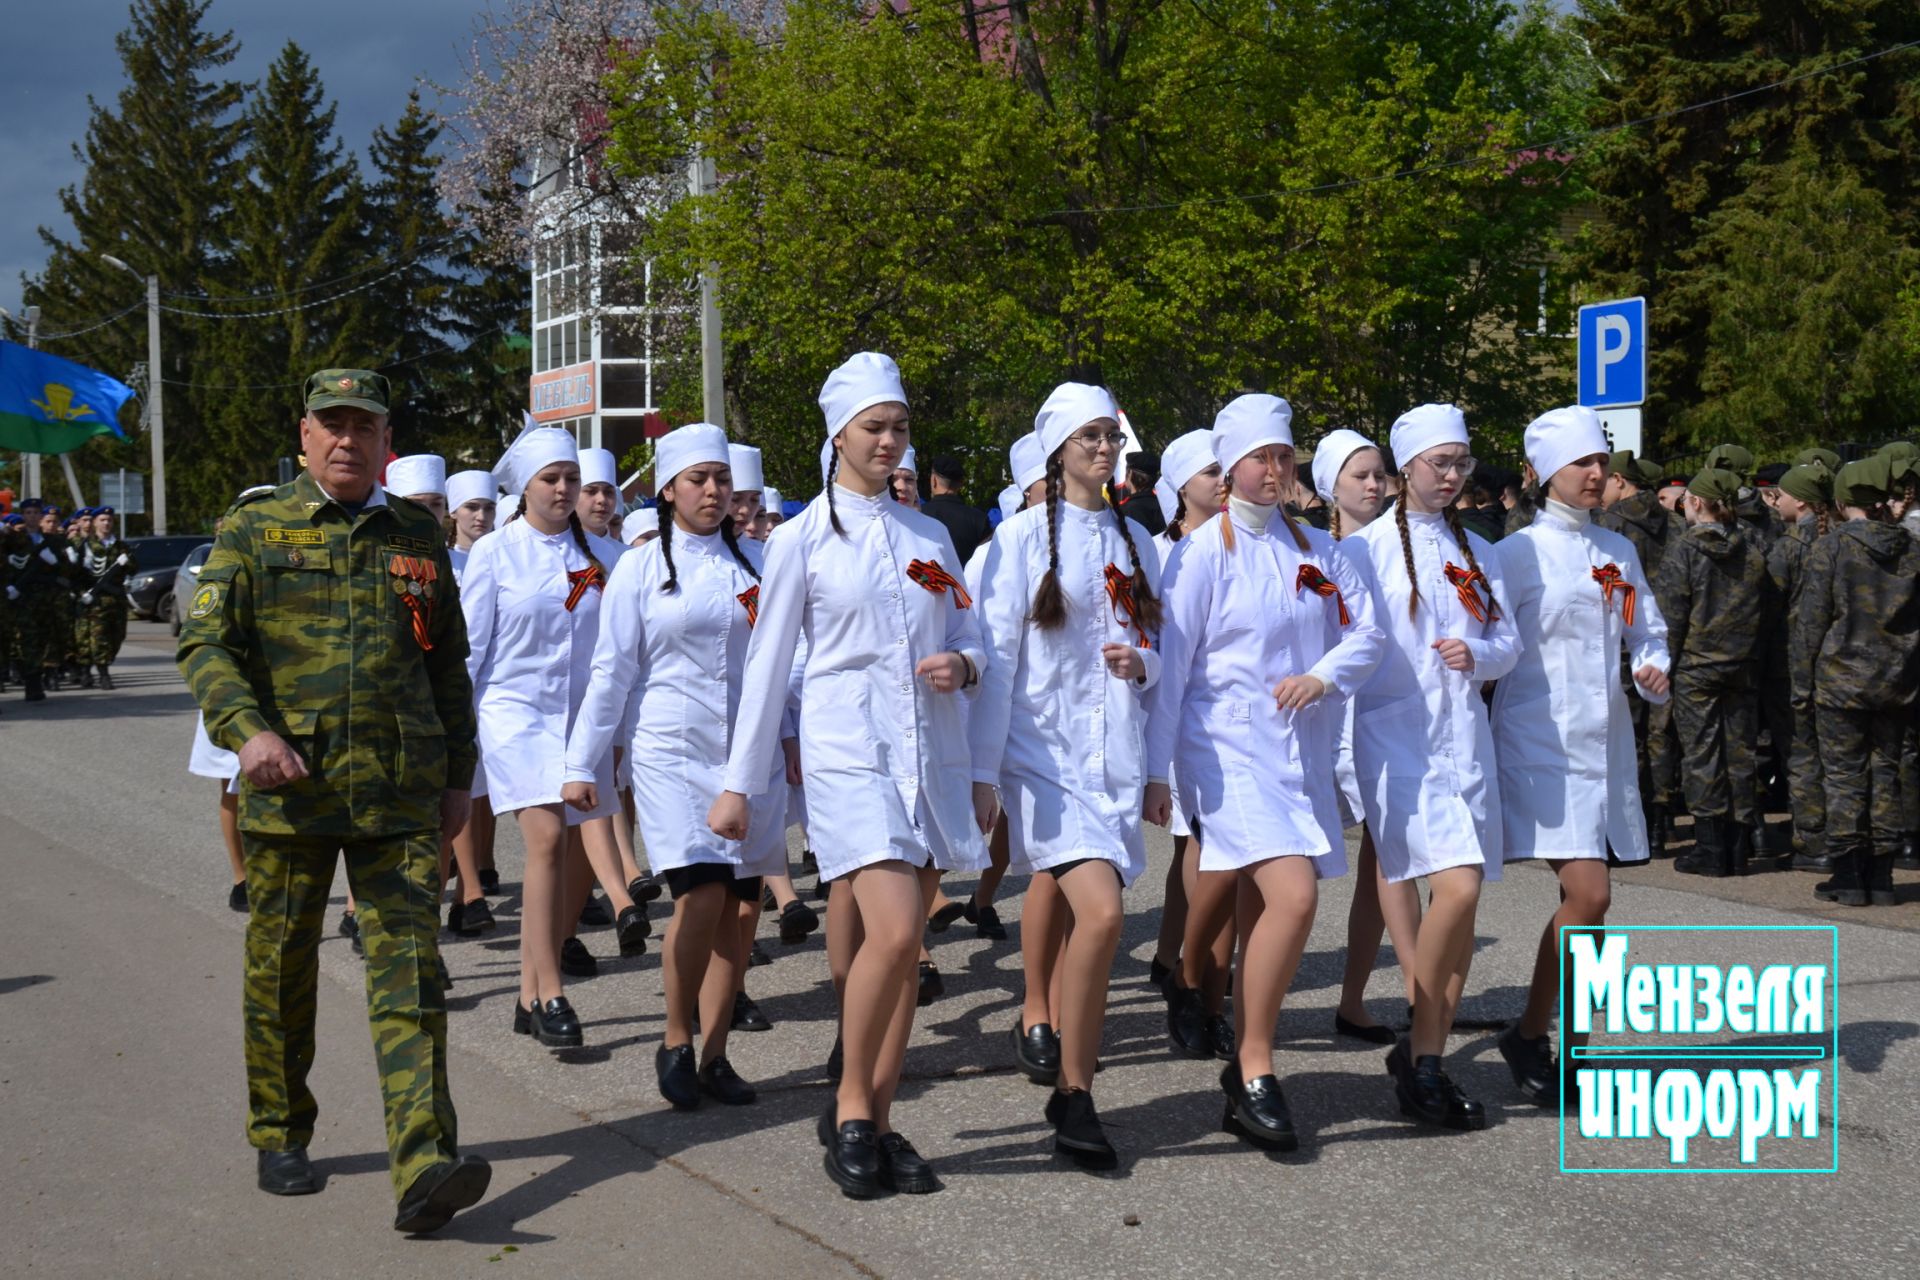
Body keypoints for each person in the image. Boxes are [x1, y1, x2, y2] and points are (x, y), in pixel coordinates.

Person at [176, 368, 490, 1232]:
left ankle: (425, 1163)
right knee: (282, 970)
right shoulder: (253, 528)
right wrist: (248, 733)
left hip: (398, 791)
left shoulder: (416, 541)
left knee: (411, 975)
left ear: (385, 439)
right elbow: (204, 644)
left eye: (364, 425)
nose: (347, 439)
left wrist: (459, 774)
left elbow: (446, 668)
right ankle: (281, 1130)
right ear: (306, 435)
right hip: (292, 793)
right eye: (332, 424)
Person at [710, 351, 988, 1199]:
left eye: (900, 428)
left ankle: (875, 1112)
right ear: (838, 435)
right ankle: (854, 1108)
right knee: (899, 934)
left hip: (927, 753)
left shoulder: (930, 536)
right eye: (875, 428)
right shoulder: (798, 540)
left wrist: (964, 668)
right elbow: (767, 666)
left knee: (903, 953)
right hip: (846, 752)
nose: (890, 442)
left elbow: (979, 642)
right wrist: (741, 783)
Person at [1144, 393, 1384, 1152]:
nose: (1274, 470)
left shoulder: (1318, 547)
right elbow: (1173, 671)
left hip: (1298, 747)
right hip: (1226, 751)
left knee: (1259, 907)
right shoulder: (1200, 554)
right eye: (1259, 459)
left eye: (1284, 457)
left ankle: (1220, 1020)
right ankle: (1254, 1066)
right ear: (1230, 469)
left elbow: (1369, 632)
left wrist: (1324, 675)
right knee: (1294, 894)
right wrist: (1159, 774)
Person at [565, 423, 787, 1108]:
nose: (715, 492)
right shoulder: (638, 567)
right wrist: (583, 761)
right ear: (667, 489)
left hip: (748, 759)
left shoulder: (760, 563)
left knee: (740, 914)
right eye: (699, 480)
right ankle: (674, 1037)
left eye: (722, 480)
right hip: (670, 753)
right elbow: (612, 670)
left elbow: (787, 664)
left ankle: (716, 1054)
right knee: (701, 897)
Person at [971, 382, 1161, 1167]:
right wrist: (983, 773)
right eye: (1089, 438)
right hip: (1044, 757)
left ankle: (1055, 1040)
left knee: (1096, 911)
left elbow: (1166, 653)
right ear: (1056, 449)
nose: (1104, 450)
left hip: (1115, 751)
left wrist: (1141, 665)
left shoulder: (1137, 542)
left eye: (1111, 438)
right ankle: (1076, 1091)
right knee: (1106, 915)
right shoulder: (1016, 544)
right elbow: (997, 660)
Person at [1343, 404, 1518, 1129]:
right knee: (1458, 885)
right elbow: (1338, 656)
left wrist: (1476, 654)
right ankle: (1423, 1049)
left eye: (1462, 464)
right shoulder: (1362, 553)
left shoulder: (1480, 550)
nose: (1451, 476)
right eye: (1439, 463)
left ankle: (1426, 1057)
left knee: (1465, 896)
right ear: (1405, 467)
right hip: (1398, 744)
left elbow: (1508, 642)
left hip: (1464, 743)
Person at [1491, 407, 1671, 1110]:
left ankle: (1556, 1039)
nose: (1596, 475)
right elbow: (1484, 643)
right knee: (1590, 894)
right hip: (1538, 742)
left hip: (1604, 743)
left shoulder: (1616, 553)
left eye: (1601, 463)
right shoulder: (1515, 555)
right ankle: (1534, 1032)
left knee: (1591, 905)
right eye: (1581, 465)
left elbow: (1644, 630)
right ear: (1543, 475)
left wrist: (1653, 668)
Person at [463, 424, 641, 1051]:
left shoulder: (605, 558)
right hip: (513, 713)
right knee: (544, 841)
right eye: (552, 480)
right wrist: (460, 733)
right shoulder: (495, 554)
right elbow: (470, 650)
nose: (565, 489)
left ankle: (524, 992)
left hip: (582, 720)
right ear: (526, 488)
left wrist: (617, 732)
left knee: (568, 854)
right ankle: (550, 993)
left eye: (571, 478)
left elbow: (620, 656)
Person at [1313, 428, 1419, 1046]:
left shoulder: (1401, 546)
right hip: (1336, 720)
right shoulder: (1325, 555)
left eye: (1380, 475)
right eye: (1361, 476)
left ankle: (1359, 999)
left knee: (1388, 856)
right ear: (1332, 488)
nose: (1375, 486)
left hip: (1390, 718)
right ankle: (1417, 989)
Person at [1791, 455, 1920, 905]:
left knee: (1844, 776)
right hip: (1897, 682)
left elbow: (1811, 622)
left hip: (1841, 681)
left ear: (1844, 501)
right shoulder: (1911, 548)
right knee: (1885, 773)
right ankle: (1882, 877)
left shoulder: (1834, 547)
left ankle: (1848, 876)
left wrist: (1801, 683)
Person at [1146, 429, 1235, 1057]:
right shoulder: (1156, 553)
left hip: (1229, 726)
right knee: (1197, 847)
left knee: (1203, 850)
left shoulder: (1250, 543)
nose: (1223, 481)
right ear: (1181, 486)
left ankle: (1180, 962)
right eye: (1211, 472)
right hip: (1172, 714)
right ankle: (1183, 964)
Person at [1660, 468, 1775, 878]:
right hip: (1743, 663)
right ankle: (1739, 847)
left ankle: (1711, 849)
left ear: (1694, 503)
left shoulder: (1684, 549)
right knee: (1740, 753)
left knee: (1703, 754)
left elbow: (1673, 615)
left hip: (1697, 666)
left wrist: (1664, 664)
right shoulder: (1757, 545)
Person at [1594, 450, 1683, 851]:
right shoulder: (1675, 522)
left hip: (1625, 644)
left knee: (1628, 737)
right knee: (1662, 733)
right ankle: (1665, 819)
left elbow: (1614, 593)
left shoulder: (1610, 529)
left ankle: (1637, 821)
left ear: (1619, 481)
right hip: (1666, 638)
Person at [1766, 463, 1838, 873]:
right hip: (1834, 663)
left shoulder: (1789, 546)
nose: (1777, 500)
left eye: (1783, 494)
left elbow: (1771, 607)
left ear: (1804, 501)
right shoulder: (1839, 539)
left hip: (1790, 666)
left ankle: (1813, 840)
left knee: (1801, 753)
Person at [444, 469, 501, 897]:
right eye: (472, 508)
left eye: (488, 508)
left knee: (482, 791)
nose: (481, 516)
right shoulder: (442, 560)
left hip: (488, 685)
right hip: (454, 680)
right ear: (453, 513)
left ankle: (483, 863)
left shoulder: (501, 554)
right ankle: (466, 882)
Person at [4, 496, 66, 701]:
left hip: (46, 598)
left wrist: (56, 562)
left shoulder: (52, 540)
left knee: (44, 639)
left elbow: (65, 570)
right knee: (26, 639)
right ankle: (32, 684)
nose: (32, 517)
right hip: (21, 597)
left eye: (35, 513)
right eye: (28, 513)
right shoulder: (12, 539)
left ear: (41, 516)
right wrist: (10, 586)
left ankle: (40, 676)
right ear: (23, 515)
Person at [75, 505, 135, 688]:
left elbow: (134, 569)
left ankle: (102, 664)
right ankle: (102, 673)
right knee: (97, 637)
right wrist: (81, 593)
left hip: (116, 599)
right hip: (95, 600)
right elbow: (74, 574)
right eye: (102, 520)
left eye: (109, 520)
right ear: (94, 523)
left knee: (117, 636)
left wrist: (127, 562)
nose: (106, 523)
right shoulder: (85, 546)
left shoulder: (121, 546)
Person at [920, 454, 992, 564]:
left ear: (934, 480)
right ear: (961, 484)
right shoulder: (979, 519)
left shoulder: (919, 514)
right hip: (967, 580)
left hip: (926, 580)